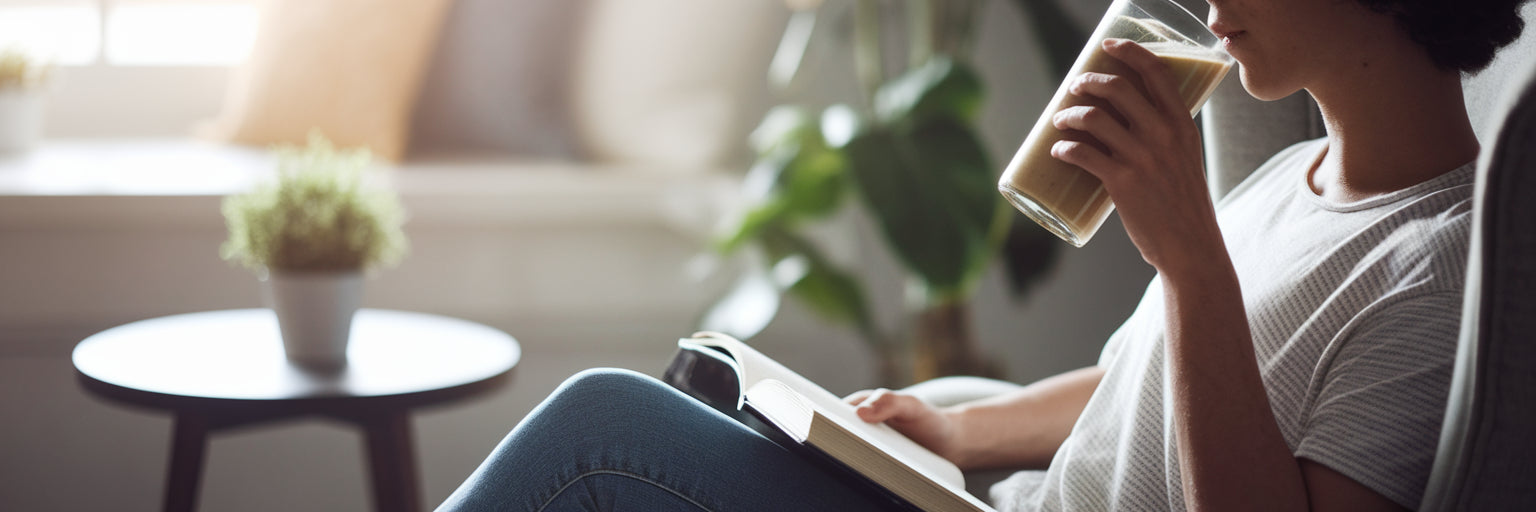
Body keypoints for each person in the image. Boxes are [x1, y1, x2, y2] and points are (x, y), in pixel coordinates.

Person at [437, 0, 1531, 510]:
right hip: (1003, 502)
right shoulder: (1286, 181)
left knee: (600, 432)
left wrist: (1193, 262)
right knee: (694, 408)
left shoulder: (1439, 276)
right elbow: (1137, 381)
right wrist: (958, 428)